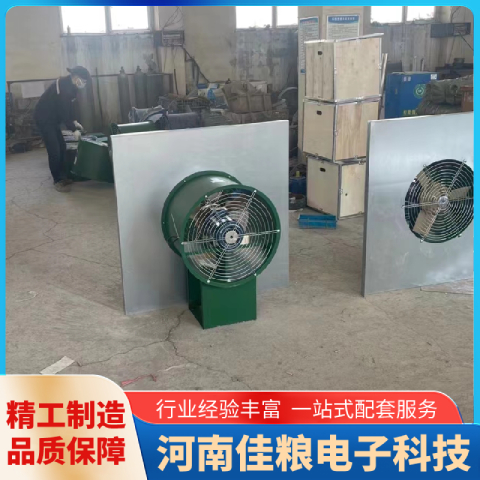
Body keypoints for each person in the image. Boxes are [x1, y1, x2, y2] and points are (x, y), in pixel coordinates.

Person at [34, 66, 91, 192]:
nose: (84, 84)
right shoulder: (63, 87)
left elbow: (70, 106)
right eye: (83, 81)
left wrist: (74, 120)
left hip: (53, 119)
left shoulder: (72, 86)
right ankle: (58, 180)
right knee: (54, 149)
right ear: (75, 77)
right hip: (44, 119)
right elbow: (63, 111)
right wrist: (73, 129)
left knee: (62, 147)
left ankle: (64, 176)